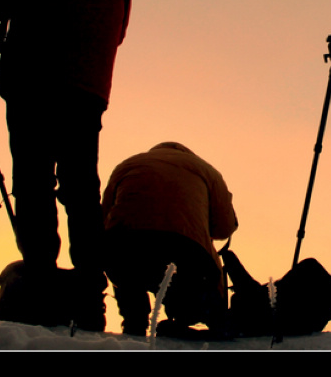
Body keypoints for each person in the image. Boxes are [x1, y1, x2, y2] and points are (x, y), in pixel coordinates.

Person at [0, 0, 132, 331]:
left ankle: (41, 285)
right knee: (81, 189)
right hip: (89, 88)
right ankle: (90, 298)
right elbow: (118, 31)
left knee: (33, 178)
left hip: (34, 78)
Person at [101, 142, 239, 338]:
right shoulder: (207, 170)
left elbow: (104, 216)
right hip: (183, 250)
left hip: (124, 247)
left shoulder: (128, 164)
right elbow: (224, 228)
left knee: (129, 275)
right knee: (191, 281)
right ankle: (189, 317)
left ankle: (134, 323)